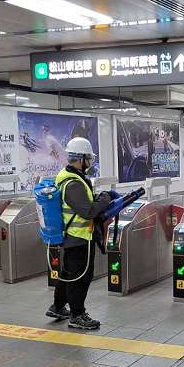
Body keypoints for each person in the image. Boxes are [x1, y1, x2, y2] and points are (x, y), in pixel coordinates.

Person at [45, 137, 112, 330]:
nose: (90, 162)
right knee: (81, 277)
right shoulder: (73, 183)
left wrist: (97, 199)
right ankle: (77, 315)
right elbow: (88, 212)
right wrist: (105, 199)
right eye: (89, 158)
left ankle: (58, 307)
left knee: (68, 273)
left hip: (72, 236)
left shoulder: (68, 176)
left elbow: (83, 204)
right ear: (81, 159)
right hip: (79, 236)